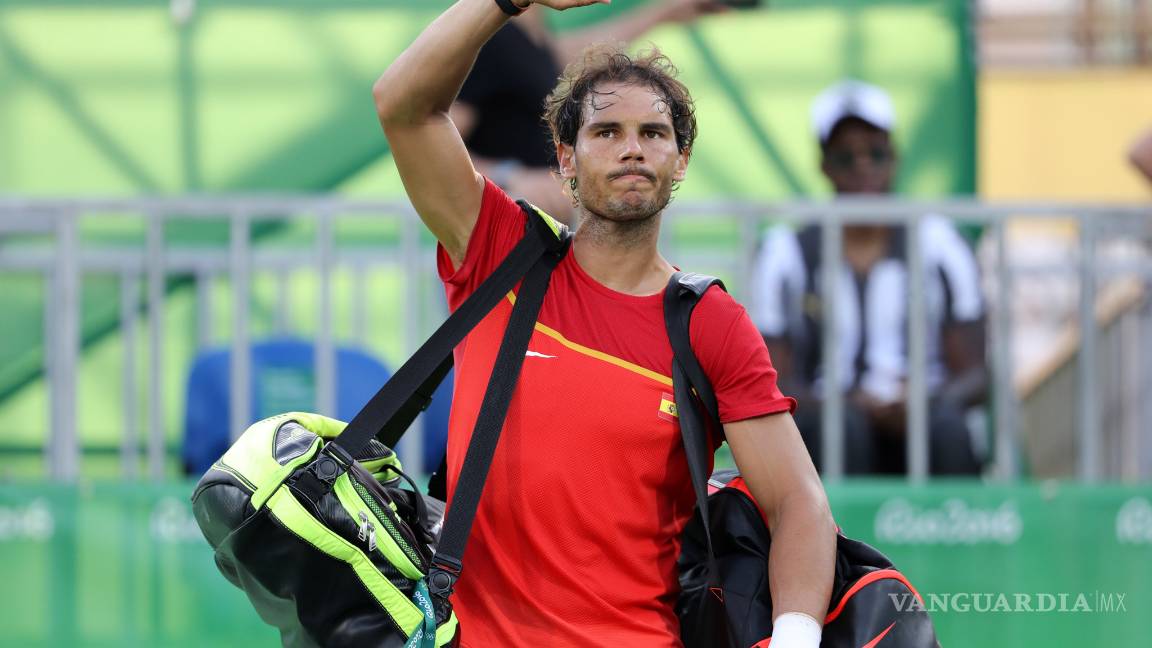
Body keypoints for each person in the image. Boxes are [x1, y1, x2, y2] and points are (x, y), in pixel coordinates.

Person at [372, 0, 836, 645]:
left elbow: (799, 504)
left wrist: (794, 637)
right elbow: (403, 106)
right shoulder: (499, 253)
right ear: (565, 157)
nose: (631, 150)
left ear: (680, 160)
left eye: (654, 133)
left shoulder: (707, 320)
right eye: (606, 132)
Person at [751, 79, 988, 476]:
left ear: (894, 158)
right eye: (846, 157)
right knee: (842, 428)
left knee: (945, 428)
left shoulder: (940, 244)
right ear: (824, 165)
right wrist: (845, 405)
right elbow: (770, 377)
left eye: (875, 154)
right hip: (827, 422)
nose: (862, 167)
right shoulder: (786, 251)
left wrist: (921, 401)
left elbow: (977, 375)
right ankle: (832, 540)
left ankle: (954, 536)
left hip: (922, 416)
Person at [450, 0, 723, 222]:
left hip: (535, 226)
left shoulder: (531, 39)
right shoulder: (494, 43)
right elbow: (442, 139)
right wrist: (509, 175)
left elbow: (578, 52)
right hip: (497, 228)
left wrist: (665, 13)